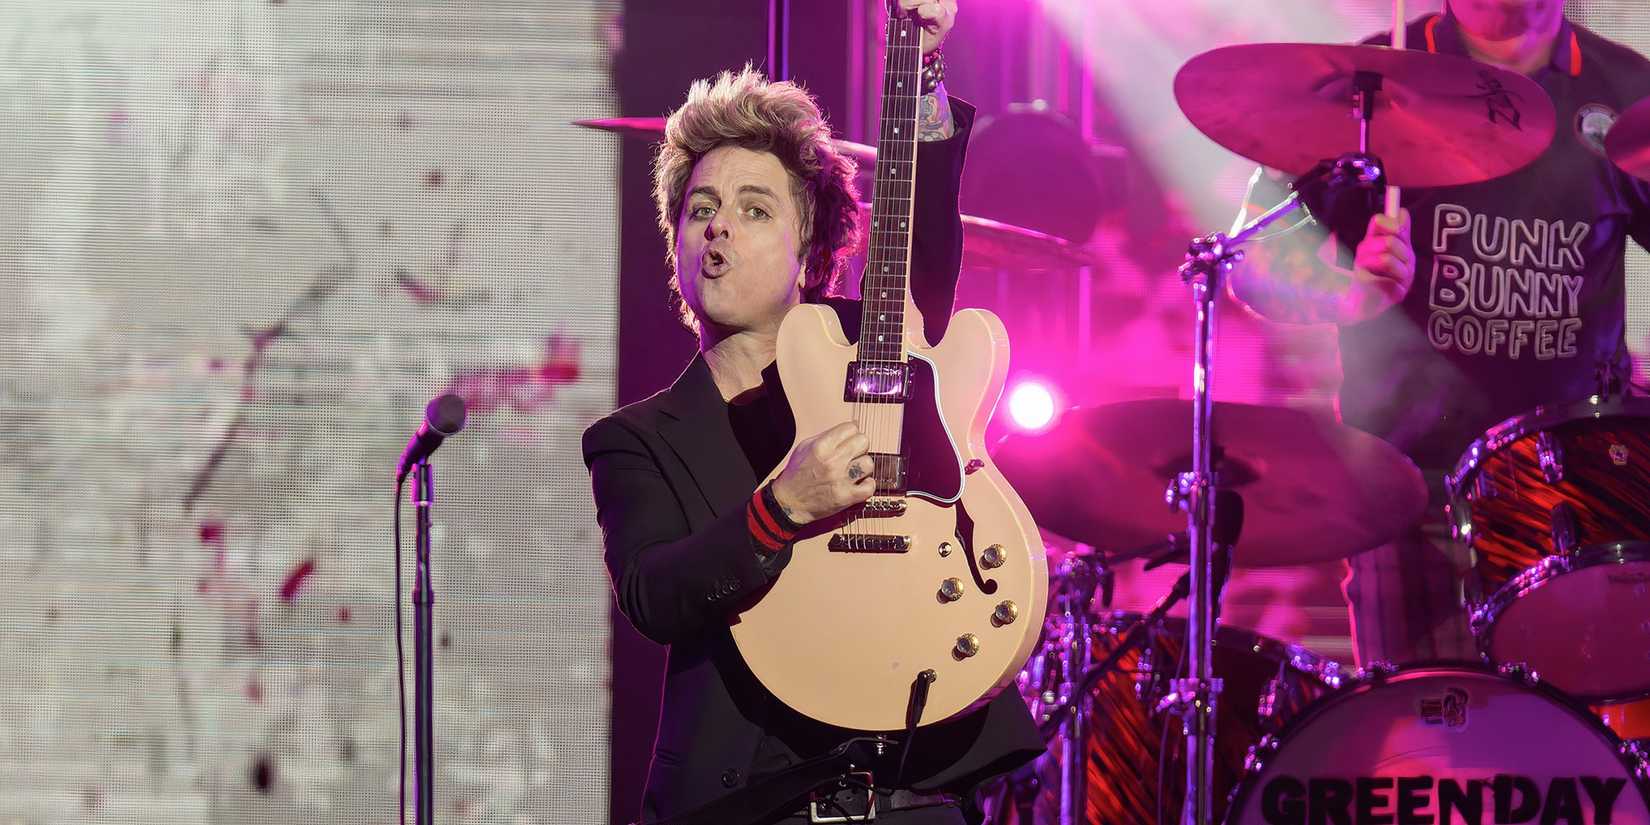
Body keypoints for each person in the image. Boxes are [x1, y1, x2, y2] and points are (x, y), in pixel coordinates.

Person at [582, 3, 1044, 823]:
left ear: (814, 244)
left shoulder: (877, 349)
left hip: (917, 780)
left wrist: (923, 71)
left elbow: (925, 250)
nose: (719, 226)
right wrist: (780, 507)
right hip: (752, 799)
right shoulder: (636, 438)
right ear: (676, 246)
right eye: (700, 209)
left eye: (756, 208)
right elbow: (655, 591)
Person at [1229, 0, 1650, 666]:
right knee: (1429, 750)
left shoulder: (1629, 93)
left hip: (1579, 493)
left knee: (1570, 755)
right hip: (1409, 488)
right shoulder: (1363, 85)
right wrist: (1347, 293)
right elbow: (1248, 263)